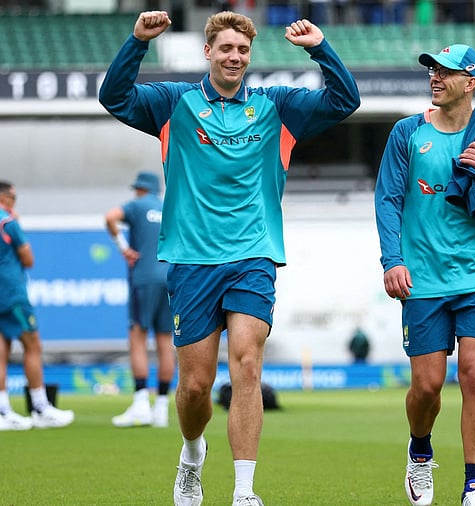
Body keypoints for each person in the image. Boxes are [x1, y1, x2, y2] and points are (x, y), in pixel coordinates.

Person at [99, 11, 359, 506]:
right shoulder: (174, 103)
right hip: (192, 260)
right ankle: (192, 455)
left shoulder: (274, 106)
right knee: (196, 387)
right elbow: (113, 97)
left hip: (253, 255)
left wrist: (320, 47)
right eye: (226, 48)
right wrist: (136, 43)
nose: (235, 56)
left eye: (242, 49)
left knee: (247, 365)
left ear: (249, 56)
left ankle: (244, 491)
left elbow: (346, 100)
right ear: (208, 52)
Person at [374, 44, 475, 506]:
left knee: (473, 374)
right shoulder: (408, 132)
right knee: (426, 386)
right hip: (422, 278)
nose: (435, 78)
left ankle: (473, 488)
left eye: (446, 72)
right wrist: (393, 260)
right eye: (432, 70)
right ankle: (421, 451)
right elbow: (387, 199)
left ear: (471, 83)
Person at [0, 181, 75, 431]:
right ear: (5, 198)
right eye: (14, 197)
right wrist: (15, 222)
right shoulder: (7, 223)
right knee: (33, 345)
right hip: (12, 294)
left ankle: (2, 411)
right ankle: (41, 408)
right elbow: (28, 259)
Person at [106, 171, 176, 428]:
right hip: (169, 278)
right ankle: (161, 409)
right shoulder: (169, 206)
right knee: (165, 341)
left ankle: (140, 404)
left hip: (144, 278)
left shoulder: (137, 205)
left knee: (137, 336)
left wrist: (123, 248)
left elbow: (110, 217)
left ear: (141, 189)